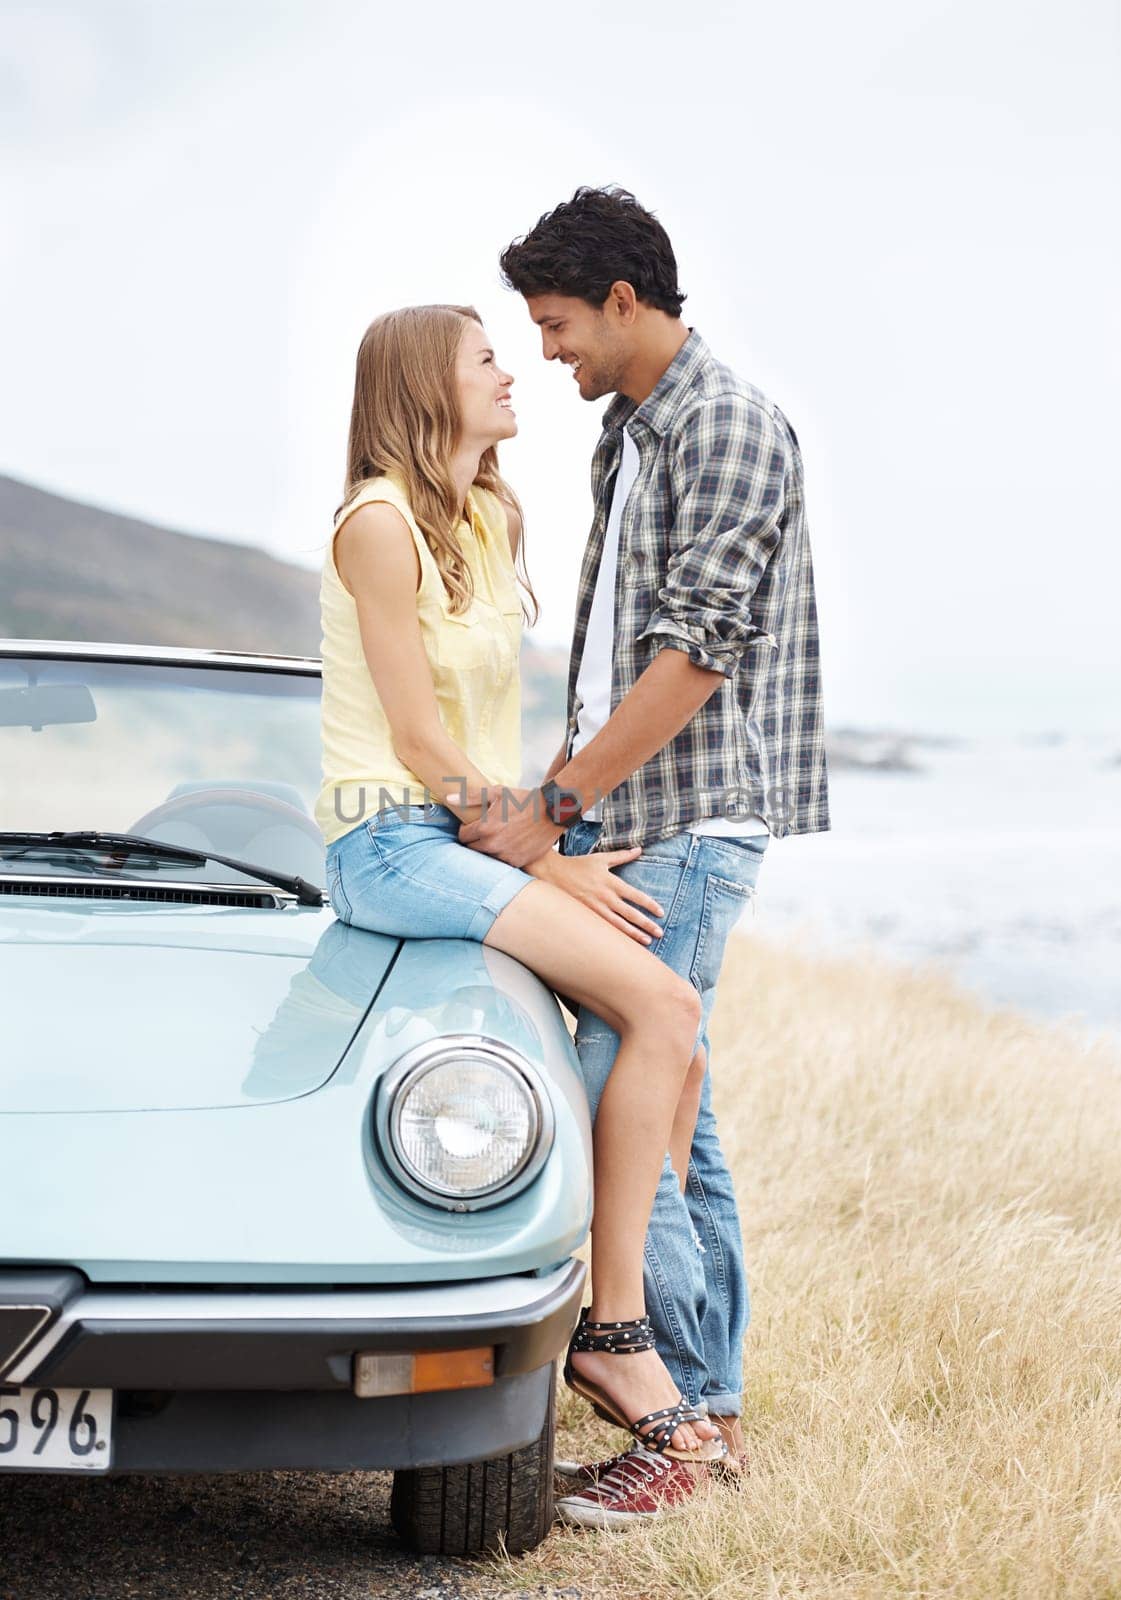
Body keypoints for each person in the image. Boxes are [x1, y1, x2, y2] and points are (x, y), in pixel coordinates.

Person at [448, 189, 830, 1526]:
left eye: (554, 324)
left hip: (679, 818)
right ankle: (709, 1414)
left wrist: (554, 809)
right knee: (682, 1117)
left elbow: (696, 652)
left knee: (627, 1091)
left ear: (622, 298)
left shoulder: (717, 420)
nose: (546, 353)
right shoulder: (637, 429)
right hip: (637, 817)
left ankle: (661, 1413)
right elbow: (618, 641)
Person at [315, 303, 729, 1490]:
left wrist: (549, 829)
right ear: (422, 384)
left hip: (474, 832)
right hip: (390, 841)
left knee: (669, 1042)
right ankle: (612, 1334)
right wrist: (543, 856)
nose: (516, 374)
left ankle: (623, 1314)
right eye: (488, 358)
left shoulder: (488, 515)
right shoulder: (377, 524)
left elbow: (503, 725)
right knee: (661, 1009)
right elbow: (410, 732)